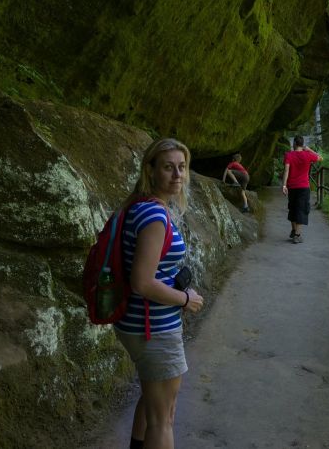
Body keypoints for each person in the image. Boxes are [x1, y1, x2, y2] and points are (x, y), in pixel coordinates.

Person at [114, 137, 204, 449]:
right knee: (163, 418)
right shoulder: (154, 217)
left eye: (182, 167)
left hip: (138, 323)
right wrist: (185, 299)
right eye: (168, 167)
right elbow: (142, 282)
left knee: (153, 404)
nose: (178, 175)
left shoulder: (139, 206)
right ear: (150, 171)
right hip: (154, 328)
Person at [282, 135, 322, 244]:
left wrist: (284, 185)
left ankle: (294, 230)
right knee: (301, 209)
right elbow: (320, 158)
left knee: (293, 208)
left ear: (294, 143)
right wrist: (309, 150)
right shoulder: (308, 155)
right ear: (302, 144)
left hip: (292, 186)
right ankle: (297, 235)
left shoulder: (288, 155)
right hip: (304, 187)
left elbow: (286, 170)